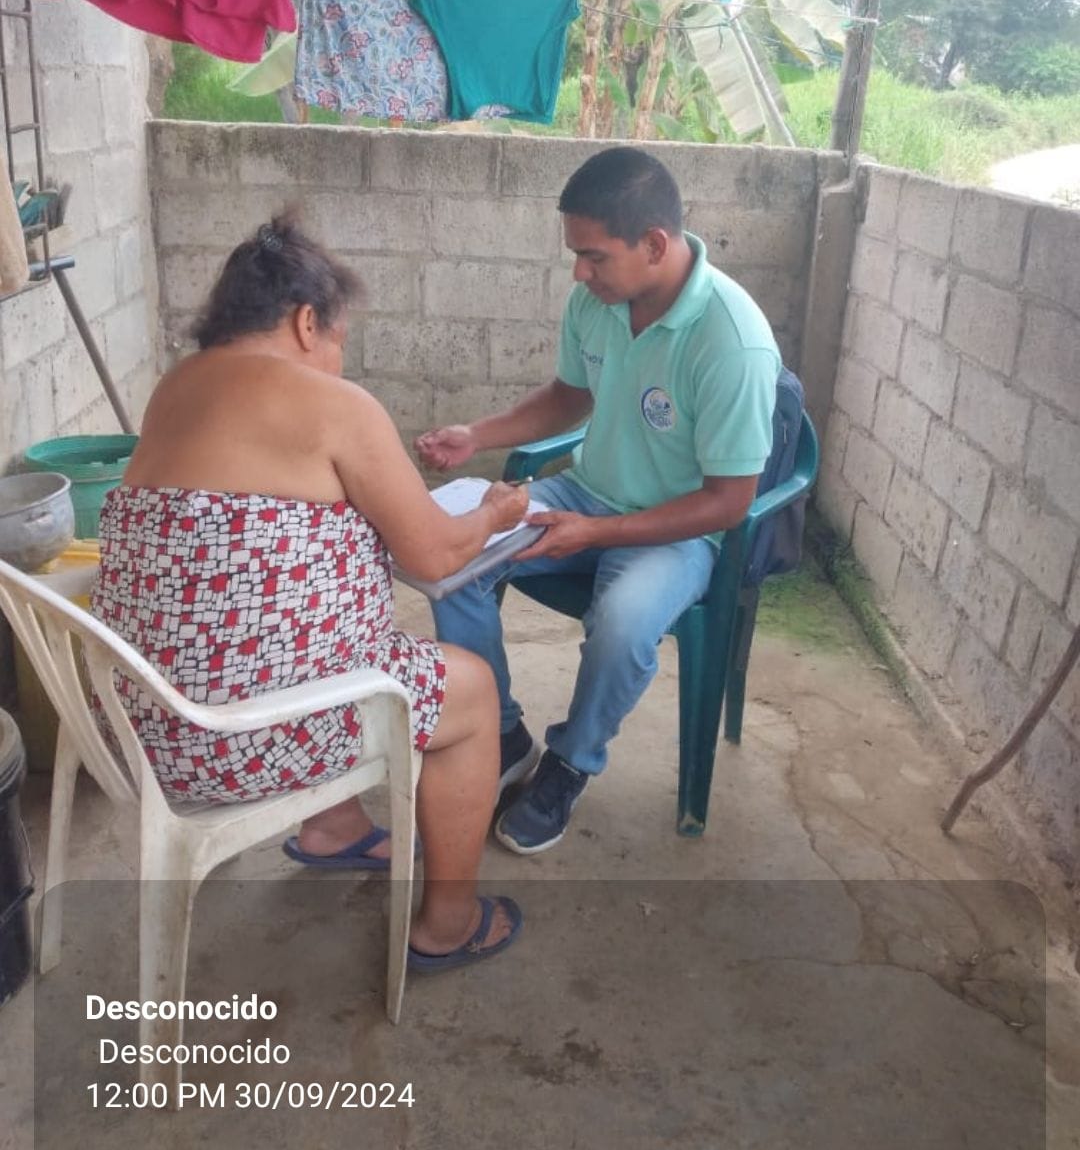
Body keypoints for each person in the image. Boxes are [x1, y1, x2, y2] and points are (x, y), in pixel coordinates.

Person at [92, 214, 529, 971]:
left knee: (285, 632)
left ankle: (334, 827)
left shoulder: (173, 389)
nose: (337, 358)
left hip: (138, 724)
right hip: (234, 742)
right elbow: (432, 550)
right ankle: (450, 924)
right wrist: (493, 512)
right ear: (305, 322)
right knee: (472, 690)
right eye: (338, 339)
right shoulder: (336, 406)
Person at [416, 147, 780, 855]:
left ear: (655, 245)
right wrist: (477, 435)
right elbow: (569, 396)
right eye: (576, 256)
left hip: (678, 528)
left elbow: (730, 501)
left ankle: (569, 762)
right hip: (583, 490)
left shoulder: (731, 342)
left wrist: (597, 532)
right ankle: (502, 734)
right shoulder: (598, 302)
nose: (579, 274)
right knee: (448, 553)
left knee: (622, 624)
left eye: (594, 257)